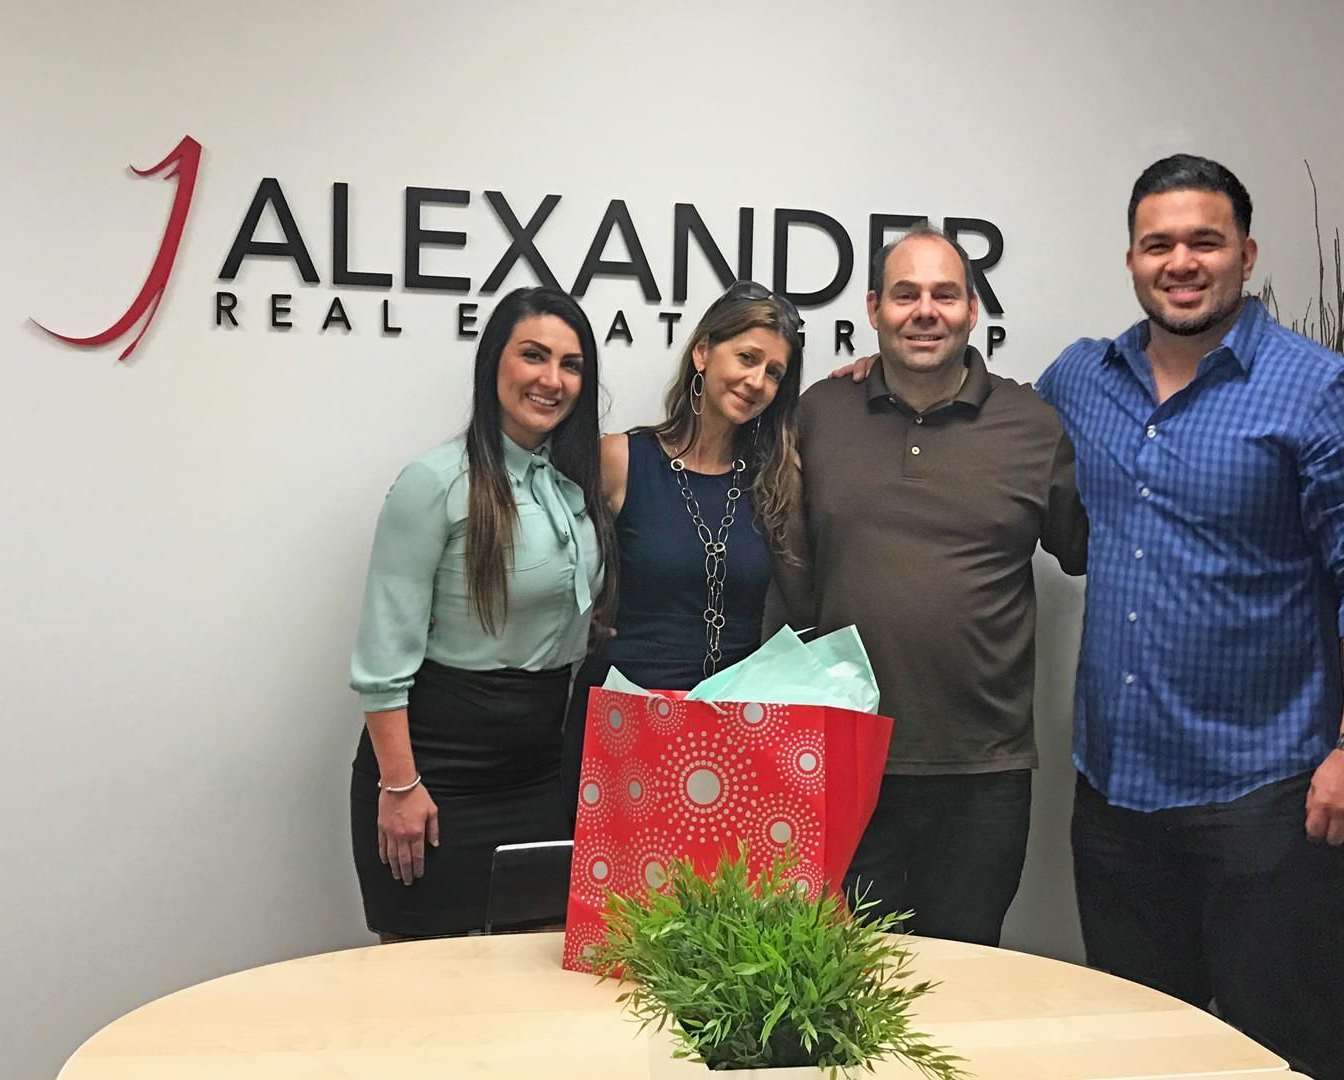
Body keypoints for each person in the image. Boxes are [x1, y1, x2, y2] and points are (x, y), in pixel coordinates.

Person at [1036, 154, 1344, 1080]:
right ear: (1131, 260)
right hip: (1117, 799)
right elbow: (994, 445)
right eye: (1159, 243)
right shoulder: (1078, 381)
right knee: (1137, 1059)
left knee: (1281, 1060)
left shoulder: (1323, 392)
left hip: (1270, 801)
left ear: (1245, 253)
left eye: (1204, 241)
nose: (1182, 260)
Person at [790, 221, 1088, 946]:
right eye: (905, 294)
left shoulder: (1033, 423)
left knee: (965, 984)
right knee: (838, 983)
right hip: (843, 758)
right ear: (873, 310)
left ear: (972, 310)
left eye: (945, 294)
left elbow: (1086, 549)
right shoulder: (819, 413)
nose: (925, 311)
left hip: (980, 771)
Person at [348, 286, 614, 940]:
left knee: (530, 1004)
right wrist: (400, 786)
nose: (552, 380)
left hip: (538, 782)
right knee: (424, 1006)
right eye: (534, 356)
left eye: (571, 364)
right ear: (494, 361)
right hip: (435, 781)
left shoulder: (575, 485)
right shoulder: (434, 483)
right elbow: (383, 655)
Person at [561, 281, 805, 816]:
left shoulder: (774, 479)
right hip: (624, 726)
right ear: (701, 352)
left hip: (730, 736)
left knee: (713, 899)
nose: (757, 380)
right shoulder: (621, 460)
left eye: (774, 373)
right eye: (746, 357)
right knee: (610, 899)